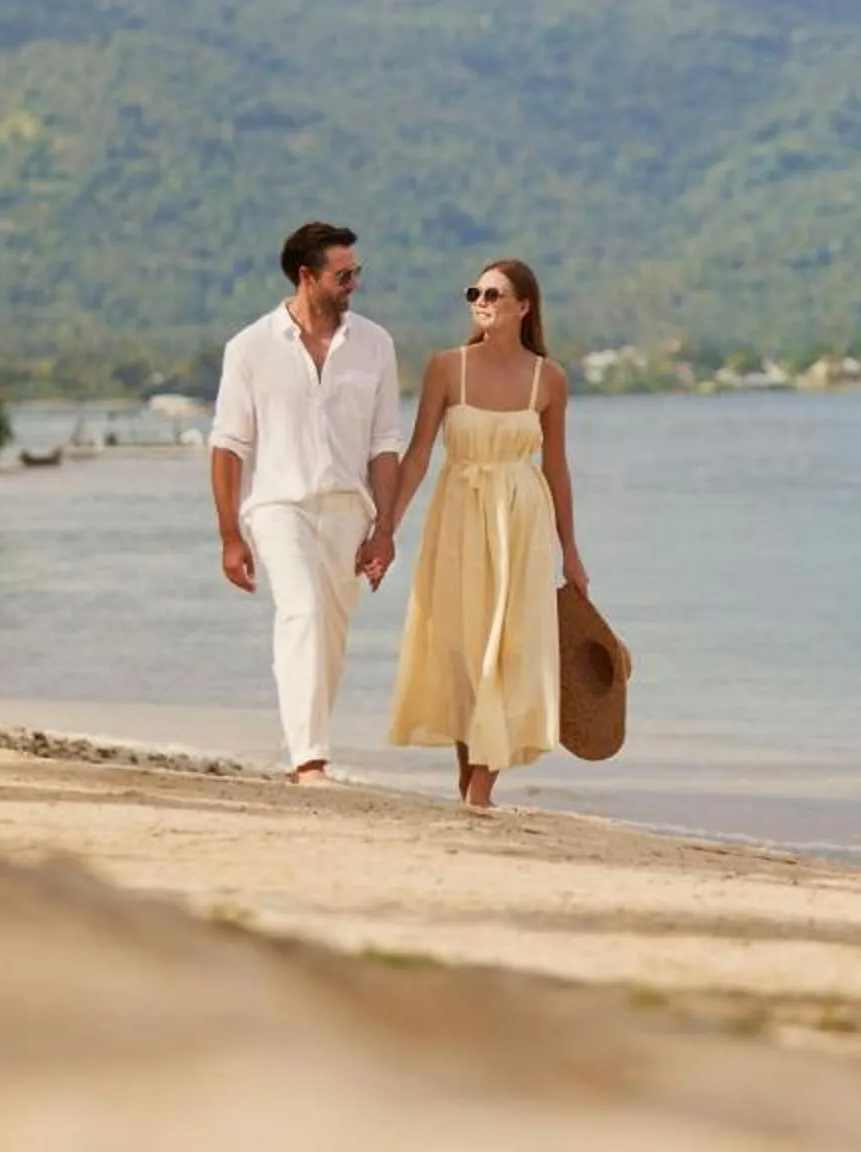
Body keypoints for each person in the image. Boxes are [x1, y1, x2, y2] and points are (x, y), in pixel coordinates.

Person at [372, 257, 588, 809]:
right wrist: (386, 529)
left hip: (521, 521)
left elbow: (557, 469)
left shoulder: (550, 378)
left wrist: (572, 552)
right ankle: (469, 785)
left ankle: (480, 794)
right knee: (464, 655)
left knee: (508, 652)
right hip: (458, 519)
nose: (481, 300)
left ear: (523, 306)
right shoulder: (447, 367)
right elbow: (418, 454)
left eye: (494, 293)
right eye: (476, 292)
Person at [208, 221, 405, 782]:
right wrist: (229, 535)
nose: (353, 285)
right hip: (278, 505)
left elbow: (385, 443)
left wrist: (385, 530)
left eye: (356, 273)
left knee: (331, 638)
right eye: (343, 275)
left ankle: (307, 746)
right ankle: (309, 760)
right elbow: (228, 445)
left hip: (349, 508)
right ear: (306, 277)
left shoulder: (375, 344)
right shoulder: (249, 348)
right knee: (303, 613)